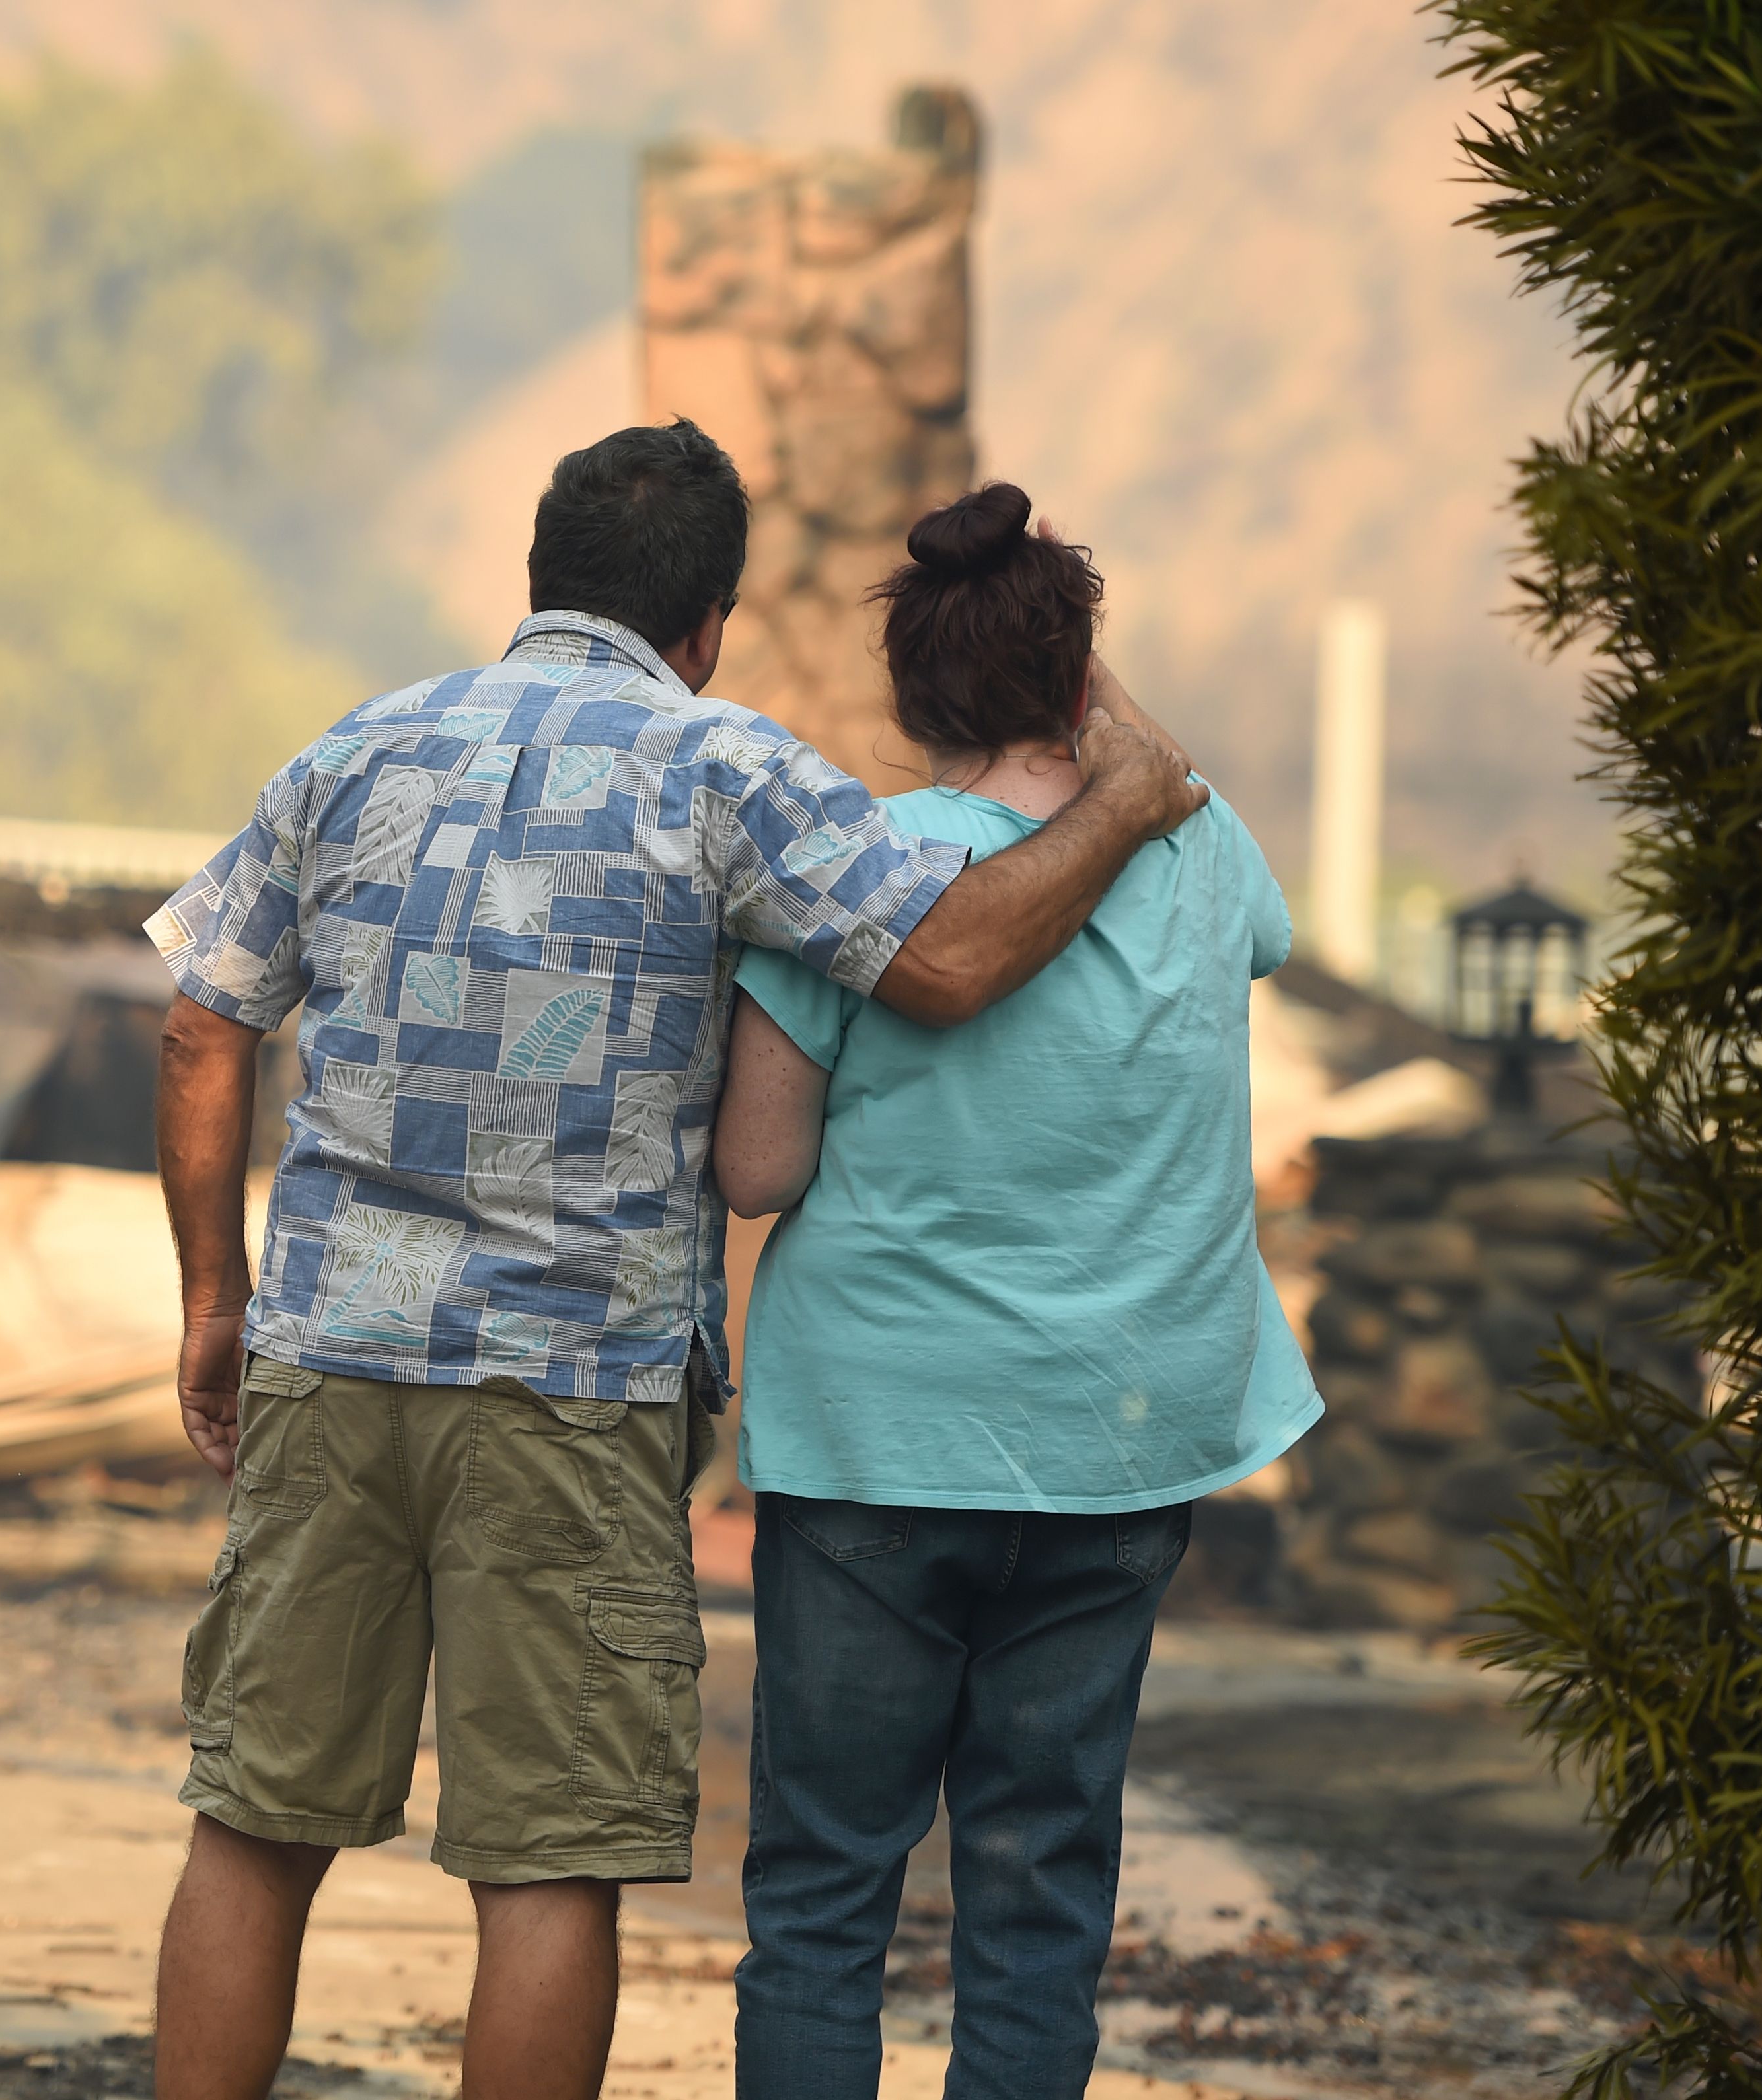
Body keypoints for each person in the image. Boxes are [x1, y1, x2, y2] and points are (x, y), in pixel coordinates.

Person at [141, 423, 1208, 2100]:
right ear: (706, 618)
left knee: (257, 1822)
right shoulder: (728, 770)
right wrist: (1130, 799)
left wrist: (217, 1306)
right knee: (548, 1862)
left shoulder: (358, 751)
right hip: (575, 1395)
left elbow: (204, 1029)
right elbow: (944, 963)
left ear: (538, 580)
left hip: (330, 1363)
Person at [713, 483, 1321, 2100]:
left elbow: (757, 1172)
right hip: (1118, 1444)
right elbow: (1181, 806)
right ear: (1076, 676)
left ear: (911, 698)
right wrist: (1091, 699)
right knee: (1040, 1901)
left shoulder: (867, 863)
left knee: (825, 1897)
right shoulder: (1203, 853)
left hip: (876, 1443)